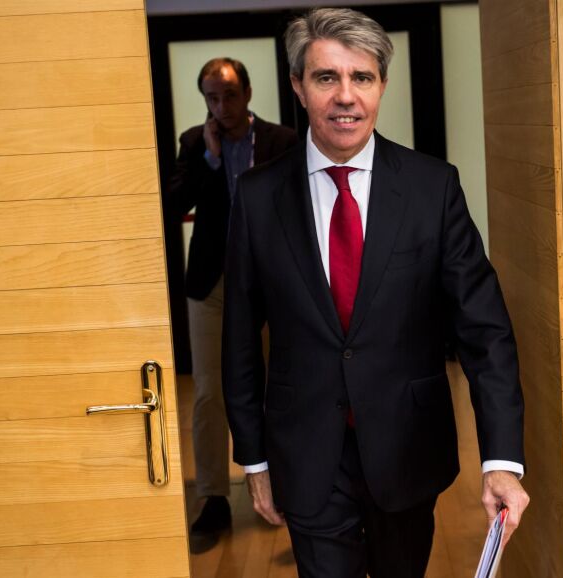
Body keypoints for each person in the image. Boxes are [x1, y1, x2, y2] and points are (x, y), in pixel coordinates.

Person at [222, 8, 528, 577]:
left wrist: (502, 460)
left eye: (361, 77)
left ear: (382, 84)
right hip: (305, 450)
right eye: (326, 77)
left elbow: (485, 333)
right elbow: (239, 338)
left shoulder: (433, 187)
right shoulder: (258, 197)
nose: (346, 96)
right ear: (298, 86)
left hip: (407, 448)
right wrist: (254, 459)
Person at [165, 57, 298, 541]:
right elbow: (173, 204)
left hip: (271, 282)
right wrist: (211, 158)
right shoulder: (195, 143)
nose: (221, 106)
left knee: (279, 385)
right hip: (212, 283)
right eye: (212, 98)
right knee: (208, 392)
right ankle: (214, 497)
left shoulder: (283, 141)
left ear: (247, 93)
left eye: (229, 96)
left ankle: (283, 486)